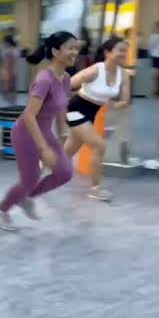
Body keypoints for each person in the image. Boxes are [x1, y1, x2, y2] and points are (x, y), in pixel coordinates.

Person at [0, 31, 78, 231]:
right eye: (70, 48)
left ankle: (26, 197)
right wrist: (44, 148)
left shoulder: (65, 78)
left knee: (64, 173)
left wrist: (62, 136)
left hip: (45, 132)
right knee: (29, 180)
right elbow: (29, 115)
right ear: (55, 51)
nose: (75, 52)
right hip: (26, 134)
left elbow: (61, 109)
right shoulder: (44, 79)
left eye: (76, 48)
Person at [64, 37, 131, 201]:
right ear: (108, 53)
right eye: (120, 50)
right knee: (99, 145)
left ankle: (43, 163)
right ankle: (95, 189)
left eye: (125, 51)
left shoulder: (123, 75)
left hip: (91, 113)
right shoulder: (95, 70)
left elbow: (125, 101)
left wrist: (114, 105)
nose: (124, 54)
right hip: (75, 109)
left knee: (69, 151)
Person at [0, 35, 20, 104]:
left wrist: (7, 72)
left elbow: (11, 62)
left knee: (10, 87)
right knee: (7, 87)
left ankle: (12, 102)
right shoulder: (7, 49)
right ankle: (10, 101)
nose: (4, 43)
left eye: (4, 42)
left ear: (8, 42)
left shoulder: (12, 50)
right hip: (8, 70)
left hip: (11, 70)